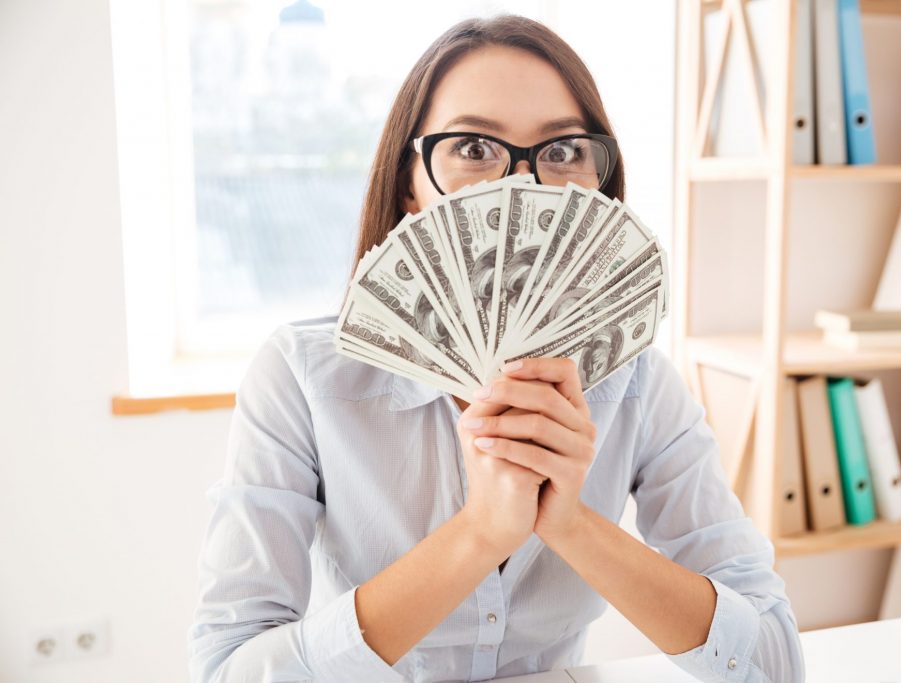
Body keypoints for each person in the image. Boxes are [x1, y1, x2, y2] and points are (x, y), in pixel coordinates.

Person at [186, 14, 805, 683]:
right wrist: (481, 532)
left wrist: (570, 524)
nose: (523, 188)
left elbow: (772, 661)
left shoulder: (639, 387)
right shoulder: (302, 378)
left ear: (598, 187)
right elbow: (227, 671)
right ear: (409, 184)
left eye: (563, 151)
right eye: (474, 149)